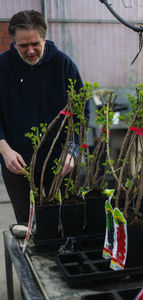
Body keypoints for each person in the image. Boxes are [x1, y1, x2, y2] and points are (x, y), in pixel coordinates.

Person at [0, 10, 89, 223]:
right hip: (18, 166)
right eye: (23, 46)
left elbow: (81, 113)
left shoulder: (63, 65)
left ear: (44, 38)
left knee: (68, 225)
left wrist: (73, 150)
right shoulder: (3, 67)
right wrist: (4, 149)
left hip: (61, 165)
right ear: (14, 43)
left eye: (35, 44)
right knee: (27, 227)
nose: (30, 51)